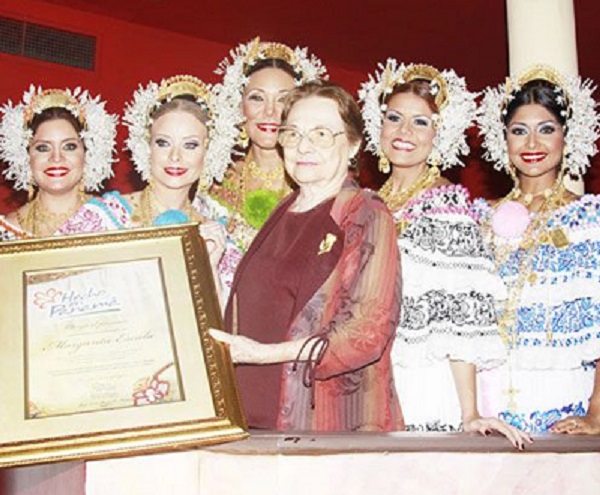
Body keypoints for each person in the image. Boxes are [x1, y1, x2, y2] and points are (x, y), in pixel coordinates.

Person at [211, 81, 403, 432]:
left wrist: (262, 354)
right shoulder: (283, 211)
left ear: (354, 144)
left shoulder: (364, 212)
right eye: (293, 133)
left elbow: (366, 334)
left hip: (324, 430)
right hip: (250, 426)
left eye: (321, 134)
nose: (303, 146)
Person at [359, 59, 529, 447]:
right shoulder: (363, 204)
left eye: (421, 122)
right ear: (378, 125)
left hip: (423, 384)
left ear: (440, 134)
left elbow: (463, 317)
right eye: (395, 117)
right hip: (366, 385)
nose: (404, 132)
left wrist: (469, 413)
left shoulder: (448, 207)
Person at [476, 65, 600, 434]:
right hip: (488, 407)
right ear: (504, 140)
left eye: (546, 129)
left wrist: (597, 415)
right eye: (519, 131)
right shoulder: (478, 218)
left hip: (562, 402)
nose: (532, 144)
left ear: (568, 137)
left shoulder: (589, 219)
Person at [62, 75, 235, 300]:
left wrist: (209, 268)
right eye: (163, 143)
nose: (175, 156)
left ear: (209, 153)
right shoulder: (103, 216)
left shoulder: (218, 237)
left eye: (190, 145)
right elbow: (53, 289)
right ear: (146, 148)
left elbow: (228, 324)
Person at [206, 37, 327, 252]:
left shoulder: (320, 183)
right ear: (238, 105)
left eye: (283, 99)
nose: (270, 112)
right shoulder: (216, 180)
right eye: (257, 98)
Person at [0, 86, 117, 239]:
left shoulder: (116, 221)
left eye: (69, 146)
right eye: (43, 148)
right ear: (26, 157)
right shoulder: (5, 232)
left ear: (87, 154)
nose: (56, 158)